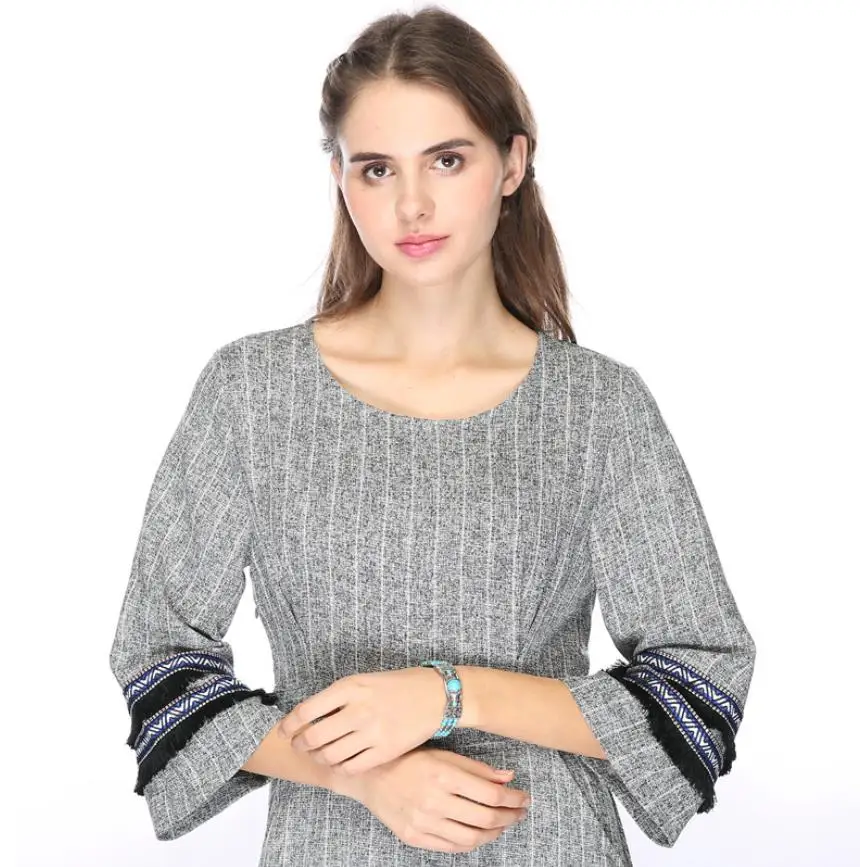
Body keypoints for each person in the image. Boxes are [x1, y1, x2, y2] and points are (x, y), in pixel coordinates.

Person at [108, 6, 756, 865]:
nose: (411, 204)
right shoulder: (252, 394)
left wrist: (448, 694)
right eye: (377, 168)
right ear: (340, 178)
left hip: (547, 843)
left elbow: (701, 680)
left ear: (512, 163)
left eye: (447, 160)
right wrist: (361, 775)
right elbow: (157, 661)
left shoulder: (598, 408)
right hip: (332, 845)